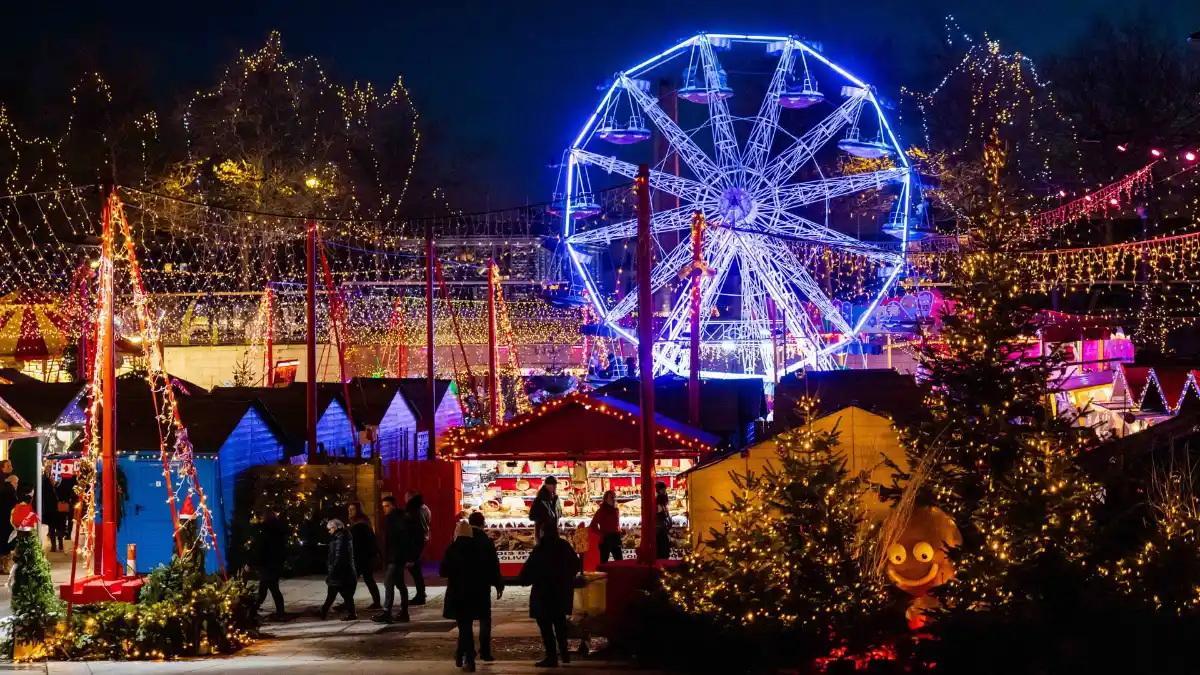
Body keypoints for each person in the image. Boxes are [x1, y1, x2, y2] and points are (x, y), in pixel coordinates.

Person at [519, 518, 579, 668]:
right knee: (560, 623)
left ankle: (552, 657)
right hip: (560, 592)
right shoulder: (564, 546)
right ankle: (564, 654)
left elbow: (527, 572)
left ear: (543, 532)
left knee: (546, 626)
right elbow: (575, 565)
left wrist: (524, 579)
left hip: (543, 593)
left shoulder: (540, 549)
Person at [440, 520, 491, 672]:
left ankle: (469, 658)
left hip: (458, 593)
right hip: (476, 592)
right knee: (465, 627)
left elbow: (443, 571)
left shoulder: (452, 548)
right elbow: (487, 568)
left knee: (464, 626)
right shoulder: (479, 549)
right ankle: (461, 654)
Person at [468, 511, 504, 662]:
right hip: (482, 584)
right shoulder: (486, 541)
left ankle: (467, 650)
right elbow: (493, 565)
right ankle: (485, 651)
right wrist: (498, 584)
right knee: (484, 618)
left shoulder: (461, 541)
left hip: (466, 585)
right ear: (483, 524)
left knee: (466, 620)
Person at [373, 496, 411, 624]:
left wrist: (394, 555)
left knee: (389, 583)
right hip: (396, 556)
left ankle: (387, 612)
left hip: (395, 557)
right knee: (400, 584)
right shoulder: (398, 518)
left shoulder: (395, 519)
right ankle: (404, 612)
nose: (384, 509)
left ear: (393, 505)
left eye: (386, 506)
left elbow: (398, 539)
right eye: (383, 506)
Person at [252, 510, 288, 619]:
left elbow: (261, 550)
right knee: (273, 589)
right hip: (275, 565)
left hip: (267, 566)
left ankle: (252, 612)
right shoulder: (278, 532)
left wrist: (254, 563)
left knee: (264, 592)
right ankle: (280, 612)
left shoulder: (265, 533)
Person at [320, 519, 357, 621]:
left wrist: (334, 569)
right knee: (343, 594)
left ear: (335, 528)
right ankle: (324, 611)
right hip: (342, 571)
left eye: (330, 528)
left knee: (336, 593)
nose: (329, 531)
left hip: (339, 571)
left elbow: (339, 555)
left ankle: (323, 611)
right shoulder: (341, 537)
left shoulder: (341, 538)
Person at [347, 502, 381, 609]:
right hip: (364, 557)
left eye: (352, 509)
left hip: (362, 557)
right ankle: (376, 602)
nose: (350, 511)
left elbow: (361, 543)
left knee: (356, 580)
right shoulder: (360, 524)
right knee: (365, 579)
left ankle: (347, 603)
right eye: (349, 509)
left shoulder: (360, 525)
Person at [404, 491, 431, 605]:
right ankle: (421, 592)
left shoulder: (415, 510)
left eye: (406, 497)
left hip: (416, 541)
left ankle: (420, 594)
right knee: (416, 567)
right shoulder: (425, 508)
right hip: (423, 538)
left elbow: (415, 527)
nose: (405, 499)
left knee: (414, 568)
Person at [589, 490, 622, 563]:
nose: (614, 499)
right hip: (606, 537)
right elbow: (593, 524)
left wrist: (619, 531)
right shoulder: (601, 510)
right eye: (611, 497)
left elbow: (616, 523)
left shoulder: (616, 509)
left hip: (615, 536)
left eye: (614, 497)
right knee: (604, 561)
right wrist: (601, 534)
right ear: (606, 499)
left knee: (619, 560)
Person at [527, 476, 561, 541]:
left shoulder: (555, 499)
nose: (555, 487)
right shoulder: (539, 499)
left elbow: (558, 514)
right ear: (546, 485)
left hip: (554, 531)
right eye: (552, 484)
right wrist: (545, 518)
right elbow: (531, 516)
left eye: (555, 484)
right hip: (542, 532)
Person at [41, 470, 64, 553]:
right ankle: (53, 546)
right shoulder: (46, 485)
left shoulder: (59, 485)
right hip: (50, 510)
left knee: (59, 529)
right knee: (51, 529)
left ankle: (60, 544)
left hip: (59, 511)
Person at [0, 475, 18, 573]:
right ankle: (5, 566)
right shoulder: (11, 492)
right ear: (12, 482)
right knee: (7, 543)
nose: (17, 485)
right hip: (8, 522)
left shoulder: (3, 490)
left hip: (2, 521)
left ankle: (1, 565)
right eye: (16, 482)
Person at [655, 481, 671, 560]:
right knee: (662, 551)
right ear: (658, 490)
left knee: (664, 550)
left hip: (663, 529)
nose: (664, 491)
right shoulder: (657, 501)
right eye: (662, 489)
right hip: (659, 530)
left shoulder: (662, 501)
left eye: (665, 489)